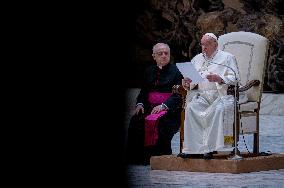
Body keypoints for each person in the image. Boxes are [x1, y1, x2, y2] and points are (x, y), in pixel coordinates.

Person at [178, 33, 240, 160]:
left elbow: (235, 78)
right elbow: (191, 81)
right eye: (202, 44)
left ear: (215, 44)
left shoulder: (227, 58)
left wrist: (220, 78)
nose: (204, 47)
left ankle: (210, 149)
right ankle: (193, 149)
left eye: (207, 44)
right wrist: (186, 82)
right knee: (191, 108)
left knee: (217, 111)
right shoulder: (197, 59)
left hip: (220, 95)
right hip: (202, 95)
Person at [126, 43, 183, 165]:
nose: (163, 56)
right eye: (160, 53)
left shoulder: (177, 71)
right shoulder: (149, 71)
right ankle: (139, 159)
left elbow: (179, 95)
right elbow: (144, 92)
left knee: (160, 123)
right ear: (154, 56)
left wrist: (164, 106)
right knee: (136, 121)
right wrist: (140, 104)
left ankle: (159, 159)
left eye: (166, 53)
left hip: (169, 109)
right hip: (149, 108)